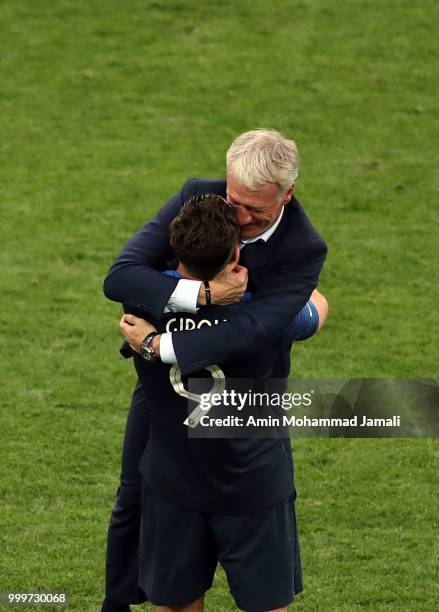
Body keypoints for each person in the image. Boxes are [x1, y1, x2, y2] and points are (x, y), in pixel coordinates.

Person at [101, 129, 328, 612]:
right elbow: (120, 274)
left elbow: (254, 330)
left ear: (287, 194)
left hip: (243, 421)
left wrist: (158, 346)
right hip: (168, 418)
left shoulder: (304, 249)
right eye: (234, 201)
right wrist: (200, 295)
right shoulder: (198, 200)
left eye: (256, 212)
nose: (239, 219)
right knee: (130, 504)